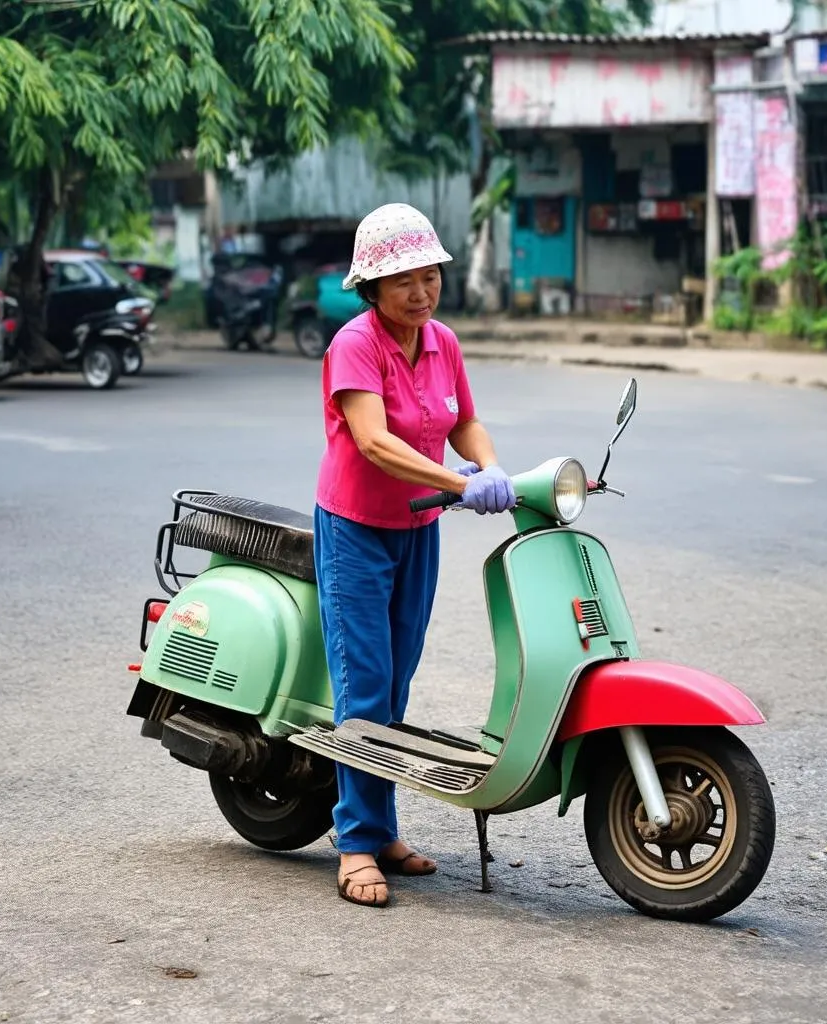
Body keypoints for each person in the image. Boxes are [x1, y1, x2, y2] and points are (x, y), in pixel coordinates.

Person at [314, 203, 517, 908]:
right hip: (355, 528)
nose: (421, 292)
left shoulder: (443, 343)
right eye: (405, 279)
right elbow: (373, 441)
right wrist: (462, 483)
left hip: (416, 528)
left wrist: (491, 467)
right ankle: (357, 844)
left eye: (430, 276)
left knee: (395, 688)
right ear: (372, 285)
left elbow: (462, 420)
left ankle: (382, 826)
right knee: (365, 684)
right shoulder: (355, 345)